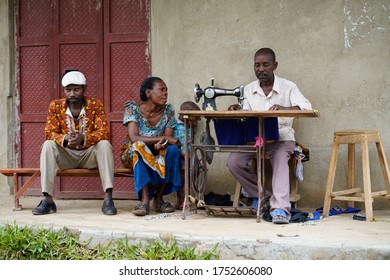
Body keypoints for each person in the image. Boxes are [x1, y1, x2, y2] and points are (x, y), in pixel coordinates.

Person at [227, 48, 312, 224]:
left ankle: (280, 208)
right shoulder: (249, 90)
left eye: (266, 64)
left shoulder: (288, 87)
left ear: (275, 66)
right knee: (233, 161)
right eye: (257, 65)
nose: (261, 69)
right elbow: (247, 115)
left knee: (280, 157)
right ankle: (264, 195)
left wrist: (285, 109)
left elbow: (307, 107)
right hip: (256, 138)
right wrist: (237, 109)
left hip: (281, 136)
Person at [32, 70, 117, 215]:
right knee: (48, 145)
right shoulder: (55, 106)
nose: (72, 93)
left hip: (89, 156)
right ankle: (47, 200)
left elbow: (103, 132)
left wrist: (84, 138)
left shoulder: (95, 105)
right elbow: (49, 132)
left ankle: (108, 198)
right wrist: (63, 138)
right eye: (68, 90)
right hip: (67, 156)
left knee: (104, 144)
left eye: (76, 89)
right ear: (64, 90)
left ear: (84, 89)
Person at [120, 76, 182, 216]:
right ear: (148, 92)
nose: (165, 93)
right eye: (161, 90)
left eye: (166, 90)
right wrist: (163, 138)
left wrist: (163, 143)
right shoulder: (132, 108)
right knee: (139, 148)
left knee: (172, 150)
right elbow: (134, 138)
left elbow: (169, 138)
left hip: (156, 152)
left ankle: (159, 198)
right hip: (132, 152)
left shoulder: (168, 111)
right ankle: (144, 201)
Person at [173, 101, 201, 210]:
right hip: (179, 156)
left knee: (194, 172)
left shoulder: (188, 126)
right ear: (187, 116)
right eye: (196, 119)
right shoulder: (175, 126)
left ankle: (190, 198)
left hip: (189, 156)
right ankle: (181, 200)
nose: (197, 121)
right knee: (183, 175)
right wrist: (184, 153)